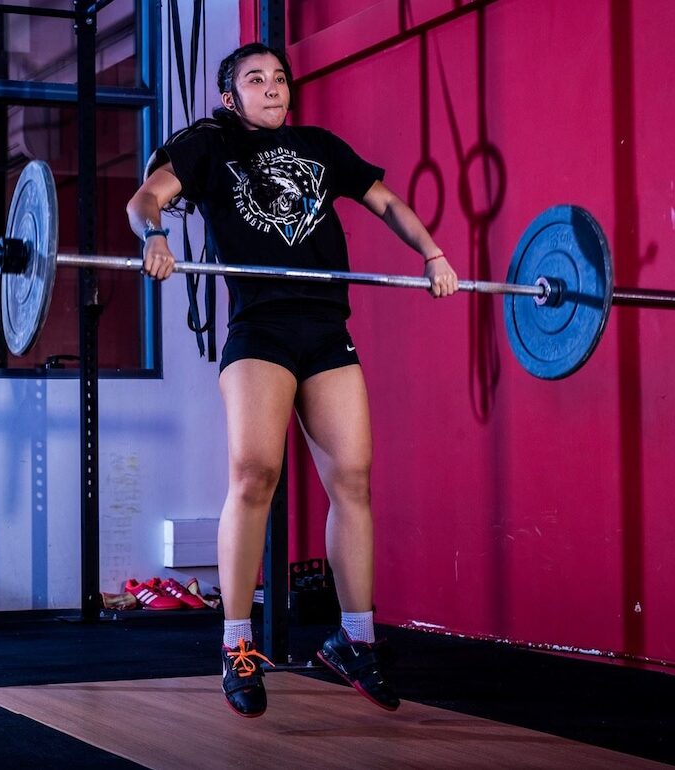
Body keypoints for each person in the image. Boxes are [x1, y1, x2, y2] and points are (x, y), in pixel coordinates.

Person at [126, 42, 458, 718]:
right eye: (256, 80)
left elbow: (386, 201)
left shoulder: (319, 146)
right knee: (255, 475)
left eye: (280, 77)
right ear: (230, 97)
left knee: (353, 480)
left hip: (325, 327)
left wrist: (433, 254)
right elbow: (145, 199)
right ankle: (236, 645)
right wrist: (154, 237)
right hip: (261, 330)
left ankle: (355, 639)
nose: (274, 87)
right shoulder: (209, 147)